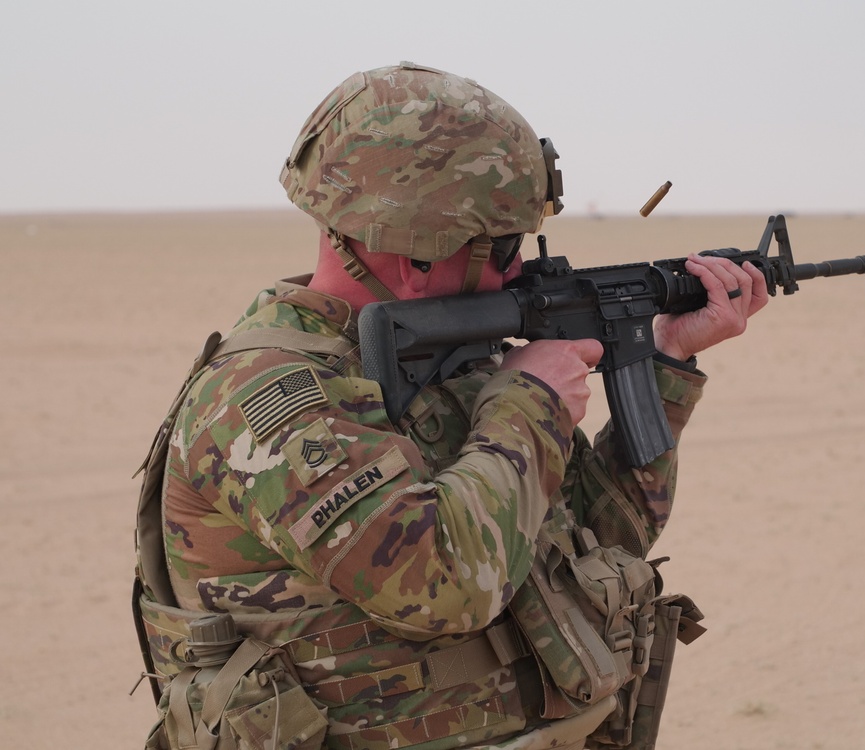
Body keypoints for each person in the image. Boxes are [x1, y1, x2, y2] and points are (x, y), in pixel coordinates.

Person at [133, 62, 768, 750]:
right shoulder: (264, 403)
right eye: (504, 249)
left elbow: (602, 535)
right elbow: (445, 586)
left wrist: (665, 359)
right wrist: (529, 403)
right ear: (417, 259)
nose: (520, 272)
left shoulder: (455, 361)